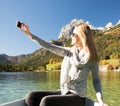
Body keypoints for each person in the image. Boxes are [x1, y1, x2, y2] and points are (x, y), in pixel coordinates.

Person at [17, 21, 108, 106]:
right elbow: (48, 45)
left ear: (81, 36)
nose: (71, 36)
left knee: (46, 102)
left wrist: (101, 101)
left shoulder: (92, 58)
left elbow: (96, 81)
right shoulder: (69, 51)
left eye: (73, 34)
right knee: (31, 97)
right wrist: (29, 34)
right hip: (64, 91)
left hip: (78, 98)